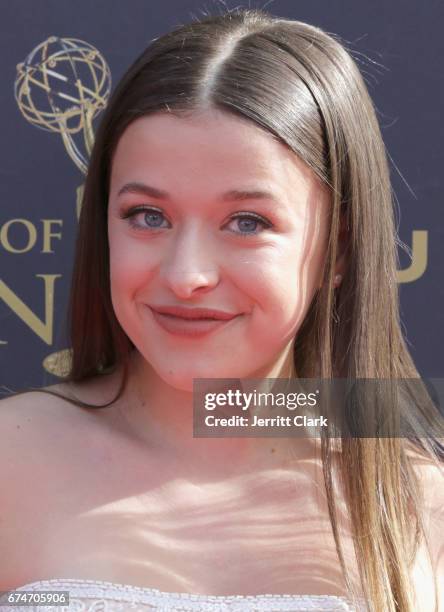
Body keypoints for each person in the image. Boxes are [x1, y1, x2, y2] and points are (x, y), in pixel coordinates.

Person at [0, 7, 442, 612]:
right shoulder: (12, 458)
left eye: (247, 222)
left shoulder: (418, 504)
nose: (186, 277)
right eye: (147, 216)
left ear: (336, 250)